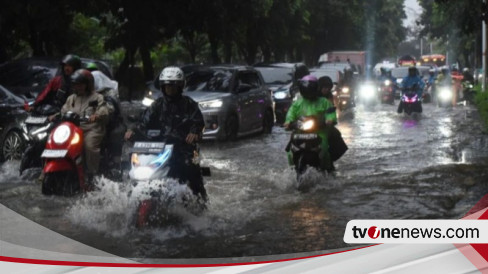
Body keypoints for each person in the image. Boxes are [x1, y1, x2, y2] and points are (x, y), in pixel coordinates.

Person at [124, 66, 207, 201]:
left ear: (180, 86)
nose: (170, 89)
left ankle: (200, 201)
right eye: (167, 86)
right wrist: (132, 130)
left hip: (182, 147)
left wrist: (194, 132)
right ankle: (128, 195)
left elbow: (198, 123)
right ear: (162, 87)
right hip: (159, 146)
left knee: (190, 167)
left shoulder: (189, 104)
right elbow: (143, 121)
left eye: (173, 86)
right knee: (131, 162)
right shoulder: (157, 105)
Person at [60, 69, 111, 181]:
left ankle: (93, 175)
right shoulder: (71, 98)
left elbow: (104, 110)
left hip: (91, 129)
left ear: (88, 84)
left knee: (90, 146)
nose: (78, 87)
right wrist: (57, 116)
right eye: (75, 84)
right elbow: (64, 110)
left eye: (81, 84)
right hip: (73, 130)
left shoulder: (97, 97)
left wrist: (96, 115)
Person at [284, 75, 337, 172]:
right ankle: (292, 169)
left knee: (324, 149)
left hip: (319, 132)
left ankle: (328, 169)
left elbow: (331, 113)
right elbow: (290, 114)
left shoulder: (324, 102)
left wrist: (329, 120)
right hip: (300, 132)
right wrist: (288, 123)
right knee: (289, 151)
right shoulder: (297, 103)